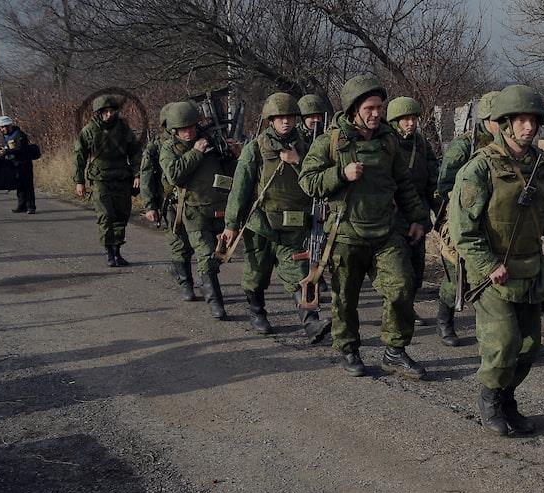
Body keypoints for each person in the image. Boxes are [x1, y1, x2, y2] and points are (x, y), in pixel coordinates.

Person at [447, 84, 544, 436]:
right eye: (521, 120)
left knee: (528, 346)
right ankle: (490, 398)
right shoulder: (479, 168)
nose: (529, 127)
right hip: (492, 273)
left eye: (533, 121)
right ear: (505, 123)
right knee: (504, 342)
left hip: (530, 271)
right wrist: (488, 265)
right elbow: (463, 229)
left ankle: (507, 398)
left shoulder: (540, 168)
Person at [298, 74, 431, 378]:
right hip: (345, 233)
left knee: (401, 287)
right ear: (353, 109)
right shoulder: (330, 142)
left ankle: (394, 350)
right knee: (345, 298)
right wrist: (340, 174)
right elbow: (307, 181)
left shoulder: (388, 141)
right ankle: (349, 349)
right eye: (369, 108)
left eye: (379, 107)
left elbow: (403, 183)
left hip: (385, 231)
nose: (376, 113)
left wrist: (418, 219)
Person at [220, 92, 330, 341]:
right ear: (270, 120)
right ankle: (257, 312)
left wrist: (297, 161)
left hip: (294, 224)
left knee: (299, 274)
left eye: (290, 117)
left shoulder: (307, 147)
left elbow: (318, 181)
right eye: (280, 118)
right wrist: (231, 224)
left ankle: (311, 323)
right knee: (256, 274)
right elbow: (239, 189)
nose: (286, 122)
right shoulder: (255, 148)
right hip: (261, 224)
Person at [160, 101, 241, 319]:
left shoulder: (212, 141)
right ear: (174, 130)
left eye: (191, 127)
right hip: (192, 210)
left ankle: (207, 287)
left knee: (218, 255)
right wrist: (196, 152)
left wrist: (234, 155)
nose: (188, 132)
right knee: (205, 255)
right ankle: (215, 302)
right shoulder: (169, 149)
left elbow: (231, 173)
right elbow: (174, 175)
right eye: (182, 129)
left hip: (218, 207)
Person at [433, 91, 498, 347]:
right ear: (486, 118)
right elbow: (444, 184)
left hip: (495, 223)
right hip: (461, 220)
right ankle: (444, 321)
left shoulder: (508, 145)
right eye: (497, 119)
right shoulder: (465, 145)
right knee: (456, 276)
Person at [73, 95, 143, 266]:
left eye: (112, 111)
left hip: (122, 177)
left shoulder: (123, 129)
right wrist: (79, 181)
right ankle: (109, 251)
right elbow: (79, 157)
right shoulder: (89, 131)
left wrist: (137, 174)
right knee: (105, 216)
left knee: (121, 215)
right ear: (98, 113)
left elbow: (135, 152)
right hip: (100, 179)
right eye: (105, 111)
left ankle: (117, 250)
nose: (109, 114)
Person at [384, 96, 440, 301]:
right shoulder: (385, 143)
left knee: (417, 267)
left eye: (414, 119)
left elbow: (432, 180)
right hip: (392, 214)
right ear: (395, 120)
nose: (411, 123)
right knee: (398, 269)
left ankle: (408, 305)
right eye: (405, 119)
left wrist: (440, 212)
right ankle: (397, 306)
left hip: (418, 212)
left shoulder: (422, 144)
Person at [140, 103, 197, 302]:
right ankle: (186, 283)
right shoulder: (156, 146)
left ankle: (181, 271)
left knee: (197, 244)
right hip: (169, 201)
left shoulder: (196, 139)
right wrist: (150, 205)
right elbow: (146, 176)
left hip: (196, 200)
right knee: (179, 242)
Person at [0, 115, 37, 214]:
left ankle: (31, 207)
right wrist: (1, 151)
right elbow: (6, 146)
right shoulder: (6, 136)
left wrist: (6, 152)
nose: (1, 130)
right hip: (14, 164)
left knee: (27, 186)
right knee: (19, 186)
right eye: (0, 128)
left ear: (8, 125)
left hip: (24, 164)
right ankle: (21, 206)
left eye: (2, 127)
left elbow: (20, 149)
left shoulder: (19, 135)